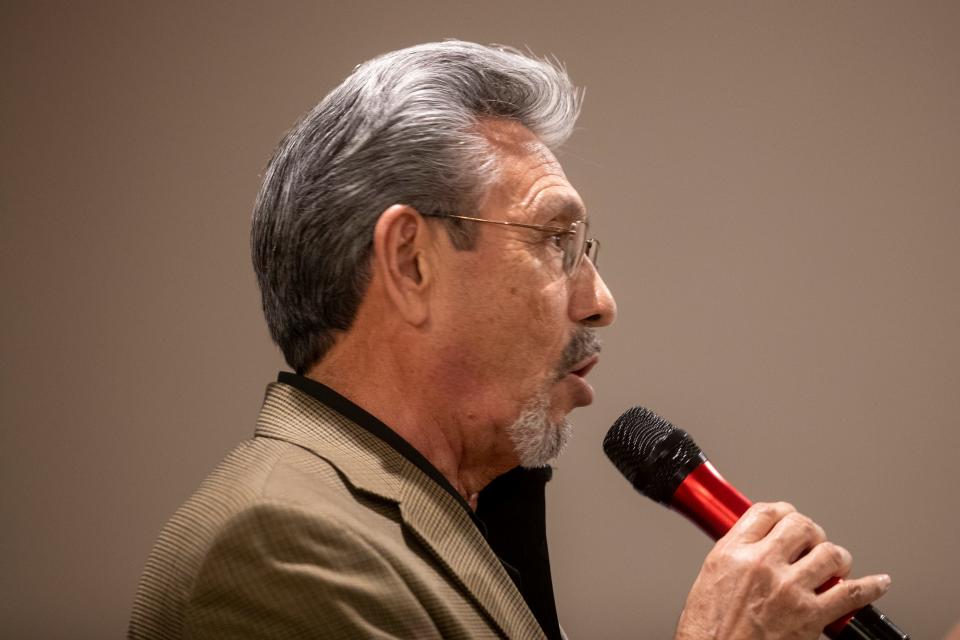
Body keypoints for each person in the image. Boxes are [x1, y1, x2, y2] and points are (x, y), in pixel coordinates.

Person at [129, 40, 891, 639]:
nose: (600, 304)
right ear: (411, 262)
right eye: (555, 240)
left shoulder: (455, 511)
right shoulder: (278, 548)